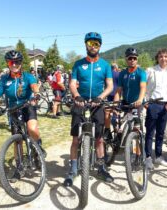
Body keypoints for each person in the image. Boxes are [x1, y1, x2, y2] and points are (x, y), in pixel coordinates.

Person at [64, 32, 114, 187]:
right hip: (80, 103)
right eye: (90, 43)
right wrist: (77, 96)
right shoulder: (78, 64)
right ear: (86, 44)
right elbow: (72, 83)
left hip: (97, 104)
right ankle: (72, 170)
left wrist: (101, 97)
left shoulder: (105, 65)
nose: (93, 46)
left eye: (96, 44)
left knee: (99, 139)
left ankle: (101, 168)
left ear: (100, 46)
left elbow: (110, 85)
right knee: (75, 139)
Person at [0, 50, 45, 182]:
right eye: (11, 62)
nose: (14, 64)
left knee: (32, 129)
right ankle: (20, 167)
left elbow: (34, 86)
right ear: (7, 64)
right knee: (17, 140)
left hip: (27, 106)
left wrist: (36, 94)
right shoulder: (4, 79)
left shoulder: (27, 76)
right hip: (13, 109)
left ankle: (37, 145)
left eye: (17, 62)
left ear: (21, 63)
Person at [144, 49, 167, 169]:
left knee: (161, 133)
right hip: (153, 103)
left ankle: (158, 156)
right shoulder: (150, 70)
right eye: (161, 56)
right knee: (150, 132)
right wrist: (145, 101)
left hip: (165, 105)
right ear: (157, 58)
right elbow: (143, 86)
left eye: (165, 56)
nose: (163, 58)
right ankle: (147, 157)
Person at [103, 63, 121, 139]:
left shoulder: (107, 75)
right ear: (116, 68)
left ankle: (108, 129)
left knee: (107, 111)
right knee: (116, 111)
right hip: (116, 94)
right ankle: (116, 126)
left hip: (108, 94)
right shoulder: (119, 74)